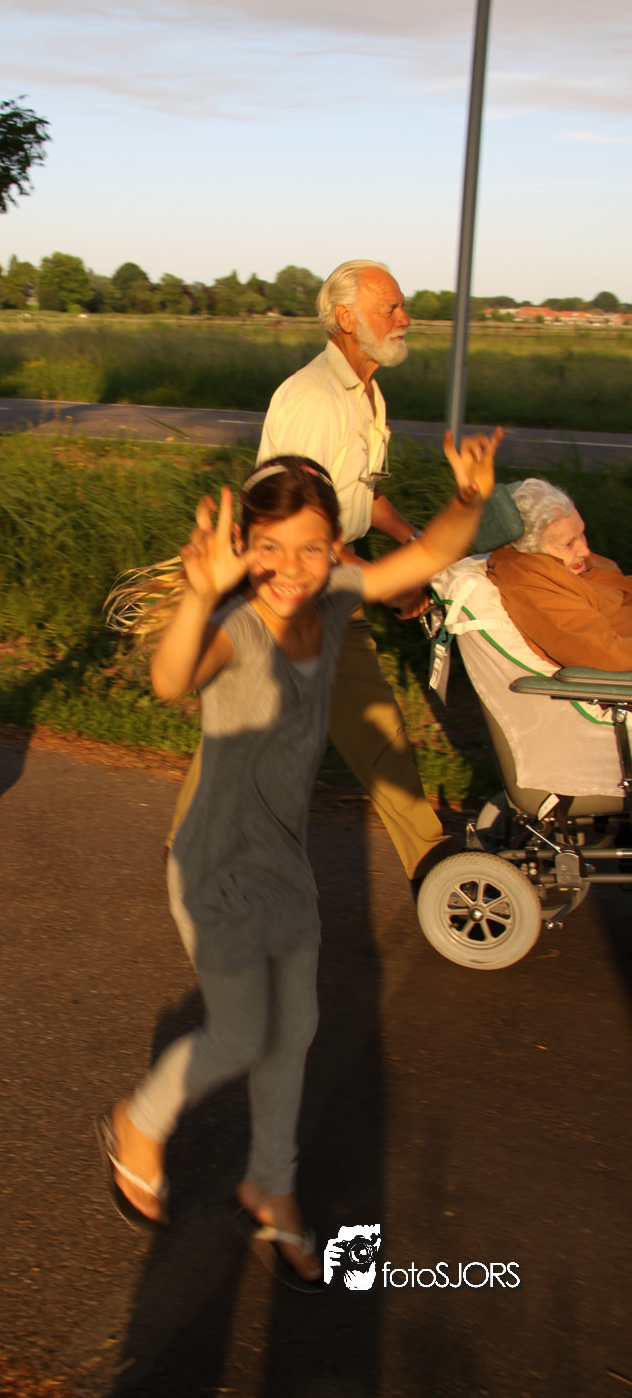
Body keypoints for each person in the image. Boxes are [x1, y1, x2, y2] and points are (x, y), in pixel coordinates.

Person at [100, 429, 500, 1288]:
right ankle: (139, 1120)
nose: (291, 568)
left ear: (336, 548)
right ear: (245, 547)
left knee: (297, 1029)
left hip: (283, 858)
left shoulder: (339, 597)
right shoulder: (237, 628)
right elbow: (172, 677)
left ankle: (270, 1186)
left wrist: (469, 498)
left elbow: (429, 553)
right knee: (243, 1030)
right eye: (271, 548)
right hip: (214, 864)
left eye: (311, 548)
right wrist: (198, 599)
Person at [168, 259, 456, 889]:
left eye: (402, 307)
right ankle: (434, 862)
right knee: (338, 722)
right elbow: (292, 522)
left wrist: (415, 543)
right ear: (347, 318)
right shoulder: (313, 400)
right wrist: (386, 581)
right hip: (295, 589)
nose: (405, 319)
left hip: (327, 578)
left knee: (279, 720)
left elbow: (363, 494)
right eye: (391, 308)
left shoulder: (366, 395)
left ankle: (432, 859)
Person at [487, 478, 632, 672]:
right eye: (569, 544)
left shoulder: (563, 564)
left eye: (582, 534)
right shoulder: (532, 588)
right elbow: (609, 654)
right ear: (531, 550)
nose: (585, 551)